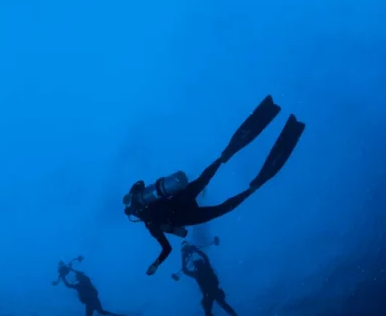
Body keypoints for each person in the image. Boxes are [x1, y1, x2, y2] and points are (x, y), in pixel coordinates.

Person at [124, 95, 305, 276]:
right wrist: (133, 194)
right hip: (181, 201)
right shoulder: (144, 200)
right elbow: (140, 183)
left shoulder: (149, 224)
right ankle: (259, 120)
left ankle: (254, 184)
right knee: (210, 173)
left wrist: (156, 264)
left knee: (224, 207)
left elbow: (167, 249)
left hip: (186, 215)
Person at [178, 241, 255, 316]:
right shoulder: (205, 268)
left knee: (211, 312)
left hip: (209, 294)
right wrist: (194, 251)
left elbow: (186, 269)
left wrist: (185, 256)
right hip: (212, 292)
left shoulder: (199, 272)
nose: (198, 265)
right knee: (219, 307)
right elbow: (202, 259)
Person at [54, 258, 138, 316]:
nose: (76, 277)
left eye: (77, 276)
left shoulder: (85, 280)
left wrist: (69, 269)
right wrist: (63, 277)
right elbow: (68, 285)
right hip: (90, 302)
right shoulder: (79, 284)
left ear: (80, 276)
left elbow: (75, 278)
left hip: (92, 300)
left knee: (99, 313)